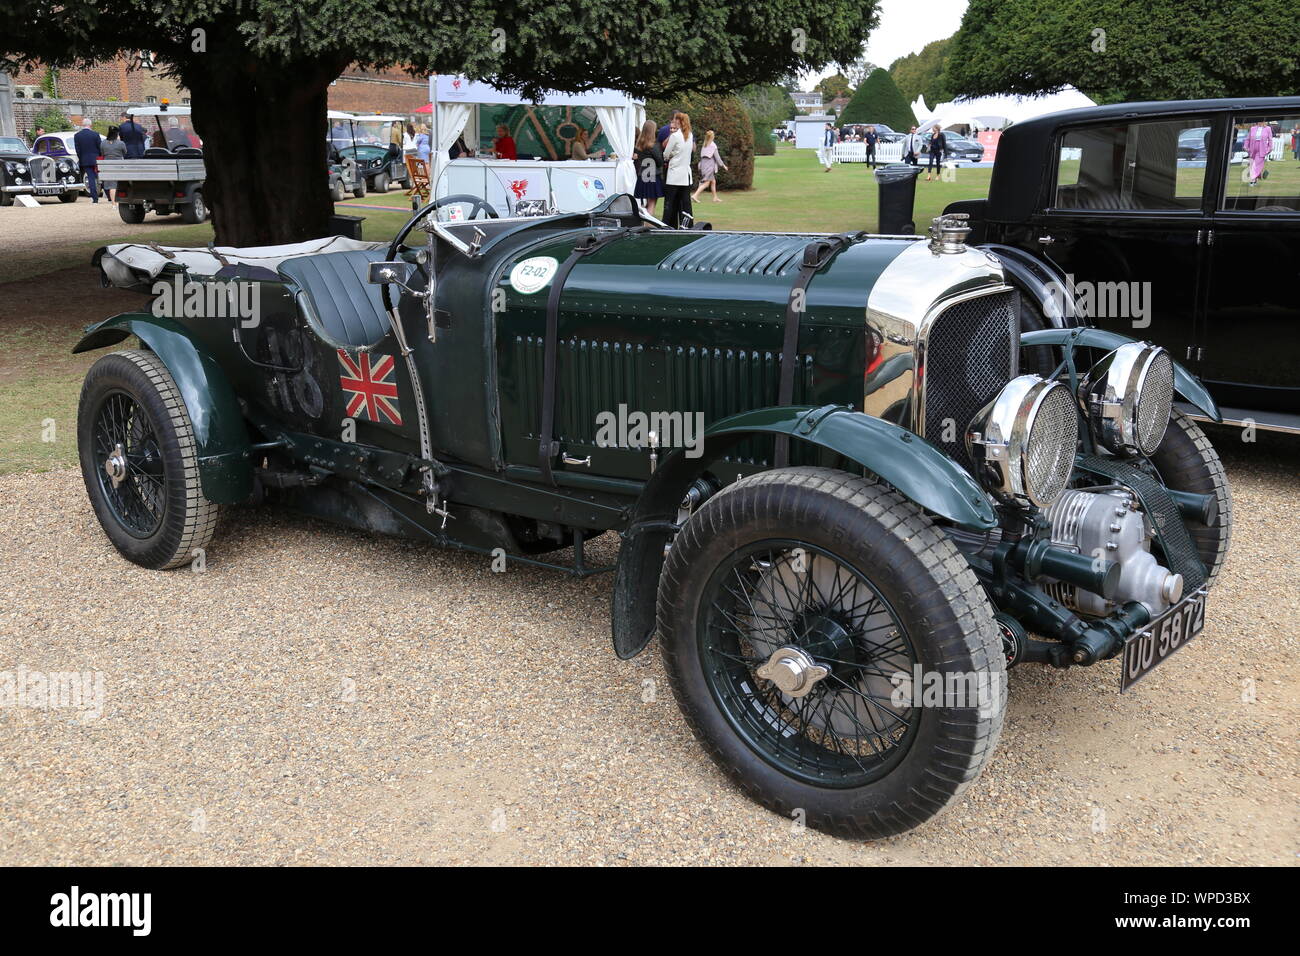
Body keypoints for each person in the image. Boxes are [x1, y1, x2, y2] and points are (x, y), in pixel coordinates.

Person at [662, 111, 695, 229]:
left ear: (679, 122)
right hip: (686, 174)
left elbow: (666, 154)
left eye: (676, 120)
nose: (674, 122)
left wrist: (671, 156)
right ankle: (688, 225)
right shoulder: (690, 135)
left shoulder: (675, 136)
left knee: (669, 203)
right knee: (686, 203)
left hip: (675, 174)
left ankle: (666, 226)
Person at [632, 119, 664, 218]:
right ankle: (648, 224)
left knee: (646, 202)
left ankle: (644, 221)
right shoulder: (653, 145)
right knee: (652, 202)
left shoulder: (639, 145)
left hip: (643, 175)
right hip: (653, 176)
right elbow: (659, 161)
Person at [692, 129, 729, 203]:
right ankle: (695, 195)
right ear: (712, 136)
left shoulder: (705, 144)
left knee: (713, 181)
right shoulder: (713, 145)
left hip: (703, 165)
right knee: (706, 183)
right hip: (709, 166)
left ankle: (715, 197)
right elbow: (717, 158)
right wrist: (724, 166)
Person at [73, 119, 103, 203]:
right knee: (100, 176)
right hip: (96, 159)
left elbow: (77, 150)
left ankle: (95, 198)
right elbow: (100, 147)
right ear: (90, 125)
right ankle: (109, 196)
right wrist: (100, 156)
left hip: (85, 159)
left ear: (83, 125)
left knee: (91, 178)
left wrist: (81, 157)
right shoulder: (95, 134)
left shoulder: (77, 135)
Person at [99, 126, 127, 201]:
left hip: (108, 166)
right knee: (119, 183)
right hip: (119, 165)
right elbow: (125, 152)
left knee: (112, 186)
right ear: (117, 134)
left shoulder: (103, 143)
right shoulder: (121, 143)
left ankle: (114, 203)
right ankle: (119, 200)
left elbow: (102, 153)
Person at [1244, 120, 1272, 185]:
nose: (1260, 122)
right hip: (1252, 148)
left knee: (1256, 164)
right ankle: (1256, 178)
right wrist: (1246, 146)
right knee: (1252, 164)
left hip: (1262, 148)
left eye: (1262, 121)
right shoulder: (1252, 128)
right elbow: (1248, 138)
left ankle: (1252, 180)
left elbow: (1270, 139)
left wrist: (1269, 148)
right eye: (1259, 121)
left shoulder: (1268, 128)